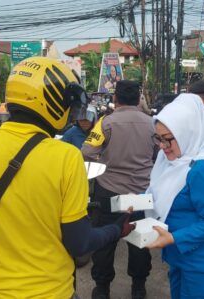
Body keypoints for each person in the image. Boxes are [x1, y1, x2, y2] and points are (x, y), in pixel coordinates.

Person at [0, 57, 135, 298]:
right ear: (52, 102)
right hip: (51, 291)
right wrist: (114, 230)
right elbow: (79, 243)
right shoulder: (66, 157)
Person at [145, 93, 204, 299]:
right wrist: (137, 201)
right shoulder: (172, 159)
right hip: (182, 254)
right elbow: (162, 190)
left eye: (168, 139)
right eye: (158, 138)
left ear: (188, 132)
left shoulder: (202, 169)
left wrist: (174, 237)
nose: (162, 146)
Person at [81, 80, 156, 299]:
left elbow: (86, 151)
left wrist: (105, 162)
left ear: (115, 99)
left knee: (105, 240)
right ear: (138, 99)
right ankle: (139, 288)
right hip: (142, 193)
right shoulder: (152, 123)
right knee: (140, 239)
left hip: (109, 191)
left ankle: (102, 289)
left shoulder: (106, 122)